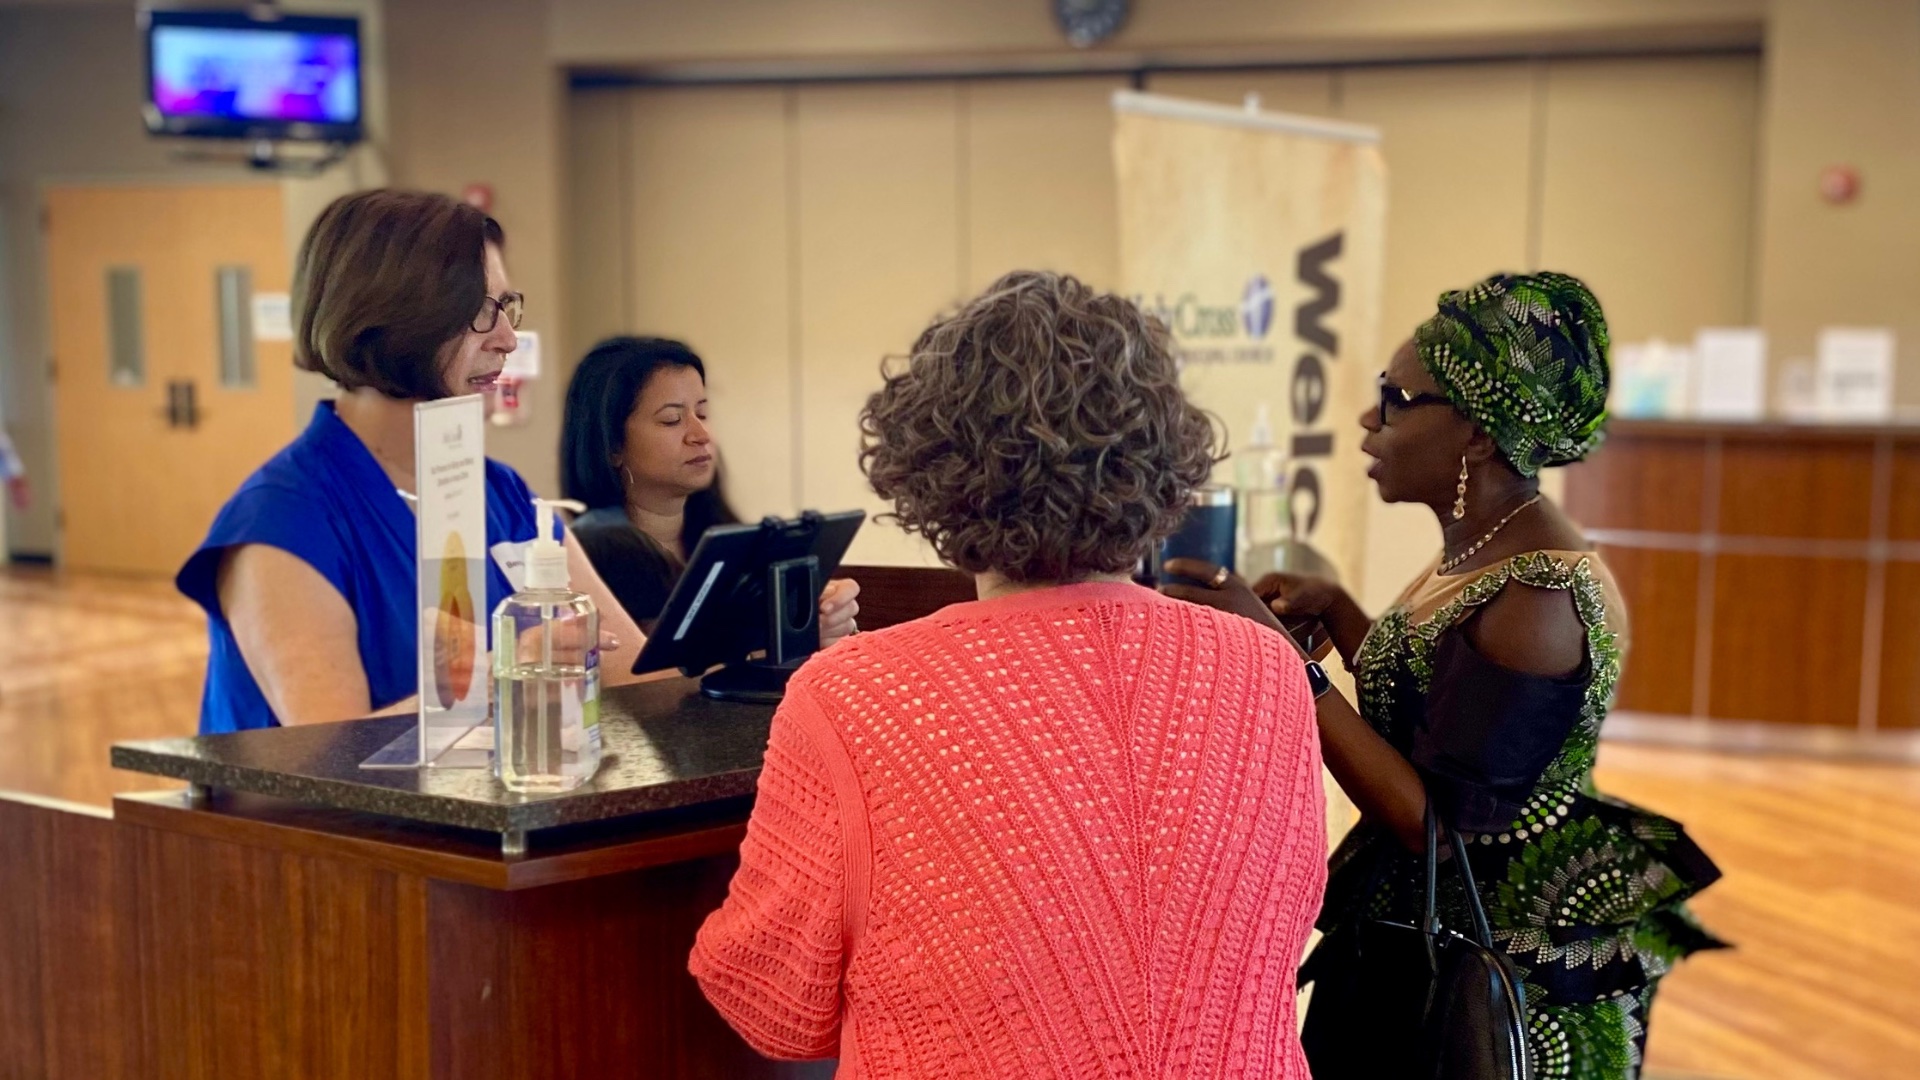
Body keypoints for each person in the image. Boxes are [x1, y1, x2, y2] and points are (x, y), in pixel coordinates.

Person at [689, 271, 1328, 1077]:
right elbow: (1275, 929)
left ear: (930, 466)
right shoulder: (1267, 668)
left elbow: (777, 1006)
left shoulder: (854, 697)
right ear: (1163, 456)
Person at [1165, 272, 1724, 1080]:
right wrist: (1341, 614)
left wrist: (1289, 667)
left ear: (1479, 435)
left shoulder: (1539, 594)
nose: (1370, 420)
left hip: (1489, 980)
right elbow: (1444, 715)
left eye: (1395, 399)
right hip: (1427, 934)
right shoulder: (1485, 544)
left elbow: (1435, 822)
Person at [176, 189, 658, 733]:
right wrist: (505, 674)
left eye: (507, 308)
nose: (507, 339)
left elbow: (637, 677)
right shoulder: (279, 521)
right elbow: (330, 751)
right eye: (480, 312)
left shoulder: (500, 491)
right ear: (394, 319)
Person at [559, 335, 859, 633]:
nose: (700, 434)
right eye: (672, 419)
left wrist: (821, 619)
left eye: (702, 413)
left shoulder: (726, 538)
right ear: (612, 445)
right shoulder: (592, 552)